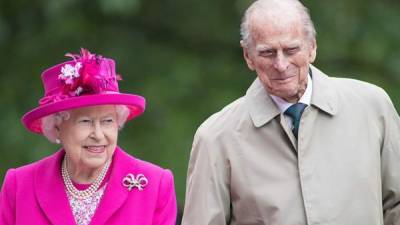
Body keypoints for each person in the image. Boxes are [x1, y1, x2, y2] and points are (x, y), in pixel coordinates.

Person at [181, 0, 400, 224]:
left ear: (312, 47)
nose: (281, 64)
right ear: (248, 56)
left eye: (291, 50)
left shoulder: (373, 108)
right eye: (267, 53)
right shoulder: (216, 138)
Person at [0, 48, 177, 225]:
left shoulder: (155, 185)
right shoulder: (19, 186)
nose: (98, 135)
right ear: (57, 126)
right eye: (85, 121)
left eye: (107, 121)